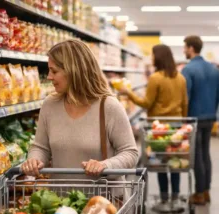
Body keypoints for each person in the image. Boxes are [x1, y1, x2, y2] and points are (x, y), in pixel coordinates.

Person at [21, 39, 138, 190]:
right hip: (60, 203)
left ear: (73, 71)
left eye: (54, 71)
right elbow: (41, 147)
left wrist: (105, 165)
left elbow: (130, 153)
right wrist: (34, 160)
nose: (49, 77)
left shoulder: (108, 106)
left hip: (101, 204)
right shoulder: (50, 105)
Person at [119, 44, 188, 211]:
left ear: (159, 57)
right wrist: (182, 122)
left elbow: (146, 103)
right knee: (174, 162)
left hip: (159, 127)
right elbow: (185, 103)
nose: (151, 58)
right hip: (176, 126)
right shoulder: (180, 78)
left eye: (153, 55)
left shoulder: (156, 78)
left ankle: (164, 199)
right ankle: (175, 197)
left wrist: (128, 93)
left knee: (161, 164)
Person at [182, 35, 219, 205]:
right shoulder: (214, 69)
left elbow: (186, 98)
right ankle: (206, 191)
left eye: (185, 47)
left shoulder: (188, 70)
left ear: (191, 48)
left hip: (194, 118)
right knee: (206, 153)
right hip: (210, 116)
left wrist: (183, 119)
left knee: (197, 155)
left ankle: (198, 193)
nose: (184, 50)